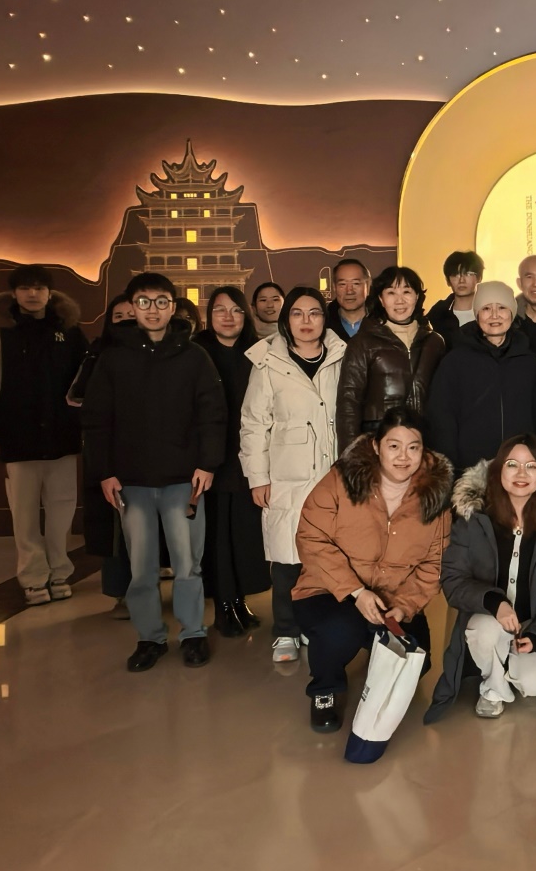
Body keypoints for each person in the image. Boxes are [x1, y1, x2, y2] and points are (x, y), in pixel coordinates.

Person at [81, 272, 227, 672]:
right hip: (132, 481)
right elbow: (96, 420)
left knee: (188, 563)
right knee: (141, 567)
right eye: (144, 302)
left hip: (184, 479)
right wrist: (104, 471)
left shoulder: (194, 356)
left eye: (161, 302)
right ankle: (150, 638)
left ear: (172, 307)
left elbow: (213, 414)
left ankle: (193, 633)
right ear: (133, 307)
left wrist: (208, 463)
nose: (153, 310)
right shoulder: (113, 357)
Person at [292, 407, 452, 743]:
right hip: (329, 591)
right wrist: (356, 592)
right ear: (377, 446)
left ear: (423, 450)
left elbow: (433, 564)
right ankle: (325, 688)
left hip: (392, 598)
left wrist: (405, 606)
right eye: (394, 446)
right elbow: (311, 537)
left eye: (413, 447)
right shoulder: (342, 480)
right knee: (340, 630)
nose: (403, 457)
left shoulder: (435, 496)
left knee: (418, 660)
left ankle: (373, 654)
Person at [426, 434, 536, 721]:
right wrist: (495, 603)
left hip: (535, 621)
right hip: (488, 620)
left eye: (531, 466)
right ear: (497, 470)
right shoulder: (474, 517)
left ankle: (512, 663)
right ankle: (493, 687)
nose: (521, 474)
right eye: (512, 464)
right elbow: (454, 578)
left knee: (534, 683)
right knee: (484, 630)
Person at [0, 264, 89, 606]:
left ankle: (59, 571)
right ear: (14, 293)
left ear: (49, 293)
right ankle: (33, 578)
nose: (33, 294)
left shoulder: (69, 332)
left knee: (62, 511)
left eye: (39, 288)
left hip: (62, 439)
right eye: (25, 288)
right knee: (25, 514)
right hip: (16, 438)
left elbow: (86, 380)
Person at [241, 287, 347, 664]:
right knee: (287, 559)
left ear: (324, 318)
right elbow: (254, 423)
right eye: (297, 313)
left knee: (329, 557)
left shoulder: (342, 356)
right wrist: (258, 478)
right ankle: (286, 629)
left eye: (314, 313)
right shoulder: (268, 361)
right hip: (287, 474)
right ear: (286, 320)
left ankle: (320, 626)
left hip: (333, 474)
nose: (306, 321)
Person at [194, 287, 269, 638]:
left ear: (245, 315)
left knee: (243, 535)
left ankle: (239, 601)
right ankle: (223, 607)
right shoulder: (197, 352)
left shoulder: (259, 352)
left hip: (248, 457)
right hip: (211, 459)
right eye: (219, 310)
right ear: (209, 316)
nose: (227, 317)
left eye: (235, 310)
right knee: (217, 538)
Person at [428, 282, 536, 474]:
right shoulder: (455, 361)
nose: (494, 315)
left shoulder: (529, 363)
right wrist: (452, 467)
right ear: (477, 314)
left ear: (512, 313)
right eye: (486, 308)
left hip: (519, 470)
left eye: (502, 308)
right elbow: (441, 417)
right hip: (470, 469)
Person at [74, 294, 138, 618]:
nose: (126, 322)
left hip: (149, 457)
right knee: (117, 530)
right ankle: (121, 594)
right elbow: (77, 397)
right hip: (110, 455)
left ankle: (148, 590)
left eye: (131, 315)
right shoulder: (98, 352)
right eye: (119, 317)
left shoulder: (156, 353)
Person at [336, 265, 445, 448]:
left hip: (425, 442)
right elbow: (349, 403)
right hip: (378, 443)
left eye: (407, 292)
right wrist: (351, 455)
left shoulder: (435, 342)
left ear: (417, 296)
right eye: (391, 293)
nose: (399, 300)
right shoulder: (362, 343)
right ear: (381, 299)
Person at [427, 250, 484, 349]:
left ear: (479, 278)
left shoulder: (489, 312)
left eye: (468, 274)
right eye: (455, 275)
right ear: (447, 281)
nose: (461, 280)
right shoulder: (438, 313)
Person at [326, 258, 371, 343]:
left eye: (356, 283)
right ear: (334, 287)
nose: (349, 291)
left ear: (368, 286)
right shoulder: (322, 325)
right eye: (342, 284)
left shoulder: (383, 324)